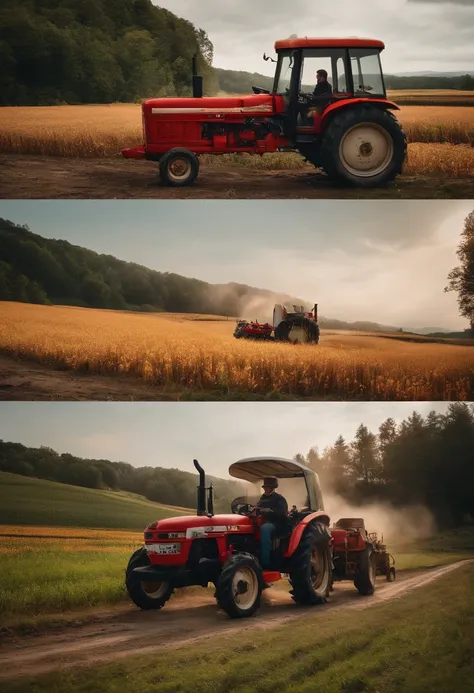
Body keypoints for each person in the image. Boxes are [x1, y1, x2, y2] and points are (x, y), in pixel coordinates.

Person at [255, 477, 288, 569]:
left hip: (277, 524)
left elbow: (281, 514)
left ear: (273, 488)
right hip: (264, 522)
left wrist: (266, 511)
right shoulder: (262, 498)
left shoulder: (279, 499)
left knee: (265, 529)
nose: (265, 489)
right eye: (265, 487)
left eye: (268, 487)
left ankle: (265, 563)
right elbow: (258, 509)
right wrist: (255, 510)